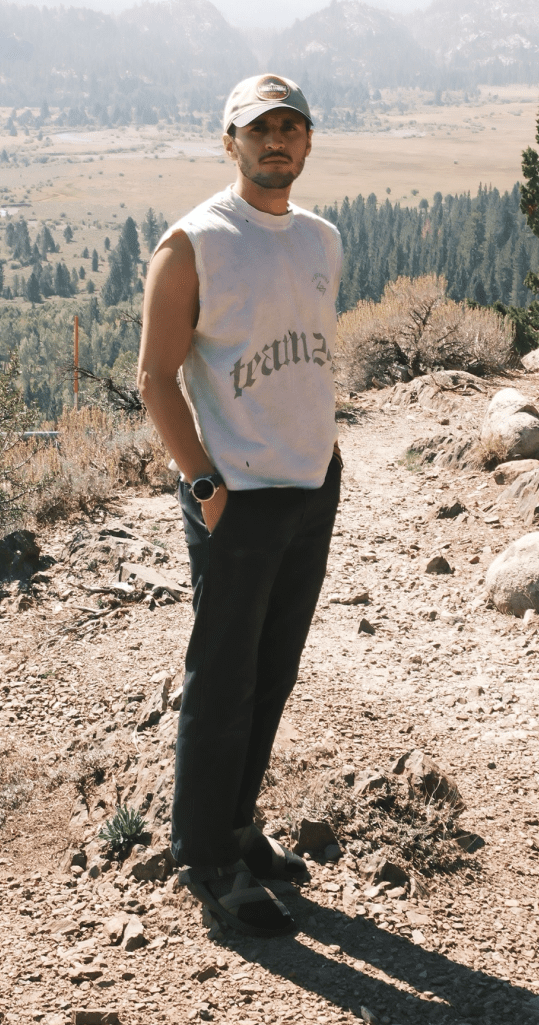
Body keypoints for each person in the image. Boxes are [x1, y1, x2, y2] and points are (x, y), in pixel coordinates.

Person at [137, 73, 343, 937]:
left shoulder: (323, 239)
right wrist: (205, 487)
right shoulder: (193, 245)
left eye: (290, 126)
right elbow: (154, 379)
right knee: (223, 678)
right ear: (230, 142)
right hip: (238, 495)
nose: (276, 141)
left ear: (306, 142)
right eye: (259, 128)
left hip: (311, 484)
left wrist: (327, 463)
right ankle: (203, 855)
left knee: (274, 670)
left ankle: (236, 824)